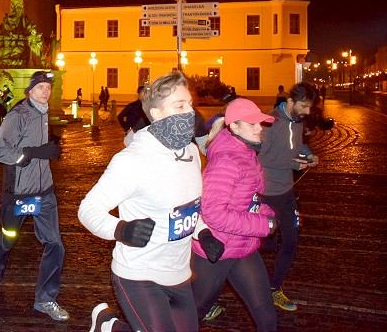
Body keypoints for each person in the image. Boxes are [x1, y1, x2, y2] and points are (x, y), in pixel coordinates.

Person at [79, 72, 206, 332]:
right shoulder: (132, 160)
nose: (189, 112)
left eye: (190, 104)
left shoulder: (191, 152)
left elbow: (188, 206)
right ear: (157, 114)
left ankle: (109, 327)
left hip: (179, 273)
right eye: (179, 106)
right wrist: (121, 229)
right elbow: (88, 210)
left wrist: (203, 232)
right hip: (139, 274)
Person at [0, 71, 69, 322]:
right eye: (40, 87)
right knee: (8, 240)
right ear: (29, 91)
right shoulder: (17, 115)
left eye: (48, 87)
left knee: (55, 245)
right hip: (20, 193)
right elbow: (0, 151)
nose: (45, 91)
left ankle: (46, 298)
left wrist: (50, 151)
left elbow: (40, 150)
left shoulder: (44, 114)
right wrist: (31, 153)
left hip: (45, 192)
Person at [191, 98, 277, 331]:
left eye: (260, 123)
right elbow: (213, 213)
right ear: (234, 126)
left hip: (242, 247)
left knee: (267, 317)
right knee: (191, 315)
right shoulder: (227, 160)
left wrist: (268, 214)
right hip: (216, 251)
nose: (260, 128)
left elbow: (251, 198)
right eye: (252, 124)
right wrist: (263, 226)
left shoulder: (247, 152)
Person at [258, 82, 319, 311]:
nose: (307, 111)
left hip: (287, 192)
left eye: (310, 107)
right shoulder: (270, 122)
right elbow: (260, 158)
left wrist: (309, 155)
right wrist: (293, 163)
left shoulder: (298, 122)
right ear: (291, 102)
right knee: (261, 243)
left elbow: (297, 146)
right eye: (304, 106)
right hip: (266, 193)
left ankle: (275, 288)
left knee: (291, 240)